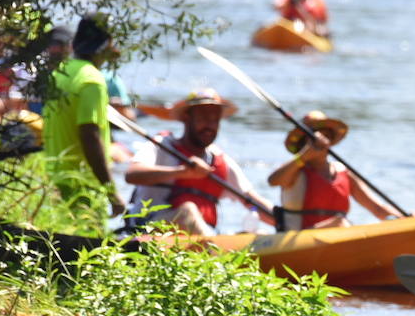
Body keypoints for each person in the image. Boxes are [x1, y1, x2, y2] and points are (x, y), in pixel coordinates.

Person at [122, 89, 273, 235]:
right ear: (187, 117)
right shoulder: (162, 145)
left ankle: (214, 245)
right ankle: (214, 248)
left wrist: (283, 219)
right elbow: (132, 174)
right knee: (188, 211)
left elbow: (252, 200)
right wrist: (182, 172)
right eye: (203, 118)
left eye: (215, 120)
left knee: (260, 234)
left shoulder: (219, 160)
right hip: (148, 229)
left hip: (203, 236)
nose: (210, 126)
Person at [39, 13, 125, 219]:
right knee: (87, 238)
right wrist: (111, 191)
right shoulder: (92, 81)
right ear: (105, 44)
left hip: (53, 179)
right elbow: (89, 135)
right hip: (82, 184)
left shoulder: (60, 72)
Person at [266, 111, 400, 229]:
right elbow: (273, 181)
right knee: (340, 223)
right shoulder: (295, 170)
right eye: (313, 139)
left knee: (343, 223)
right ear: (303, 143)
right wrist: (304, 156)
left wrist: (403, 220)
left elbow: (377, 208)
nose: (321, 142)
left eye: (325, 136)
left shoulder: (343, 172)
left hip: (338, 234)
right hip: (300, 239)